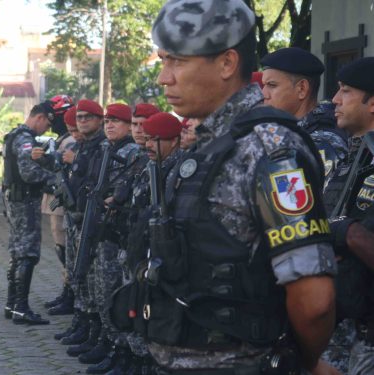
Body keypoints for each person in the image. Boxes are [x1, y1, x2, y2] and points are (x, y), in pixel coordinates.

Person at [148, 1, 337, 373]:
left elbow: (314, 300)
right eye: (163, 62)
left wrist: (308, 362)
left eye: (177, 62)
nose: (164, 78)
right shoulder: (212, 142)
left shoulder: (271, 148)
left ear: (227, 63)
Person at [75, 103, 140, 370]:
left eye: (117, 121)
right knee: (97, 285)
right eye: (108, 121)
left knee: (112, 291)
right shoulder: (106, 149)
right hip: (100, 226)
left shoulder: (132, 151)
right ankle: (104, 339)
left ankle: (118, 347)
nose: (110, 125)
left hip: (117, 232)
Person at [326, 57, 374, 375]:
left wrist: (344, 232)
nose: (335, 100)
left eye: (345, 91)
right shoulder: (354, 154)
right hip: (343, 322)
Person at [1, 101, 57, 325]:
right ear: (40, 117)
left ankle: (12, 304)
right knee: (27, 253)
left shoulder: (13, 135)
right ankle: (21, 308)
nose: (46, 130)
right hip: (25, 201)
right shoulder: (25, 138)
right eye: (47, 124)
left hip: (15, 201)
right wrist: (55, 179)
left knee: (18, 251)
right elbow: (28, 173)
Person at [59, 99, 107, 352]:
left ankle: (97, 334)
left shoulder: (103, 147)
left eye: (89, 117)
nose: (83, 121)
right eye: (80, 117)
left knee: (94, 279)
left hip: (94, 222)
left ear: (100, 120)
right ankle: (83, 324)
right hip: (77, 217)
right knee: (80, 275)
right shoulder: (84, 146)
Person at [260, 47, 349, 178]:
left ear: (302, 89)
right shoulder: (291, 133)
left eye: (272, 85)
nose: (263, 94)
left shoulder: (320, 144)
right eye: (264, 85)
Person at [32, 99, 79, 316]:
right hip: (56, 198)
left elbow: (61, 167)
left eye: (55, 116)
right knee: (60, 245)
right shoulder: (62, 138)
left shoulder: (70, 140)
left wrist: (49, 159)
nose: (52, 121)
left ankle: (71, 293)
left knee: (65, 247)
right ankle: (66, 290)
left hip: (63, 200)